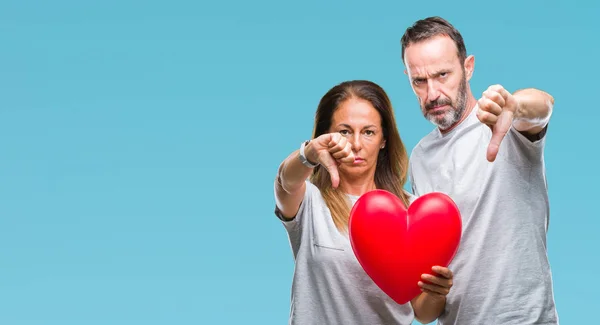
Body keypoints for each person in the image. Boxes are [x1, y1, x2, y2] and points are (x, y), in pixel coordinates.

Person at [400, 16, 559, 324]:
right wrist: (433, 291)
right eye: (419, 81)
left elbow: (542, 106)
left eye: (443, 75)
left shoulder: (501, 118)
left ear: (468, 67)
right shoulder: (419, 158)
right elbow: (424, 311)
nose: (432, 93)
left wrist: (514, 106)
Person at [273, 80, 455, 324]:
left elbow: (422, 313)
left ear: (384, 140)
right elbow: (285, 182)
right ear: (326, 136)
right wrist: (309, 154)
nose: (356, 144)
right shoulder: (310, 202)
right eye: (344, 132)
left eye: (368, 132)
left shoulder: (413, 214)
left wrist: (436, 294)